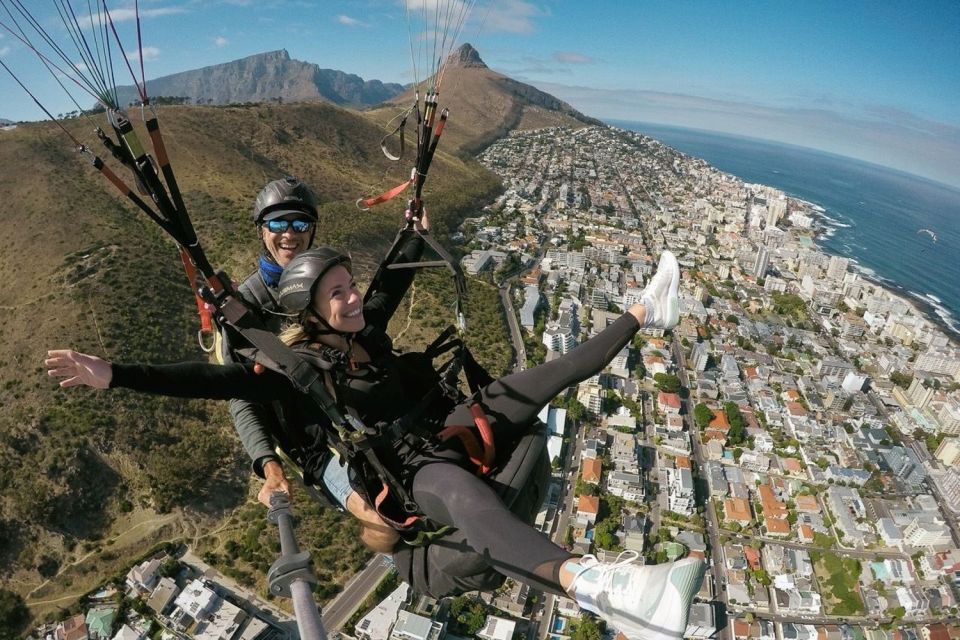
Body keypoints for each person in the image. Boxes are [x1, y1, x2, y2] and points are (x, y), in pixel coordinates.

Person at [47, 250, 705, 640]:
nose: (354, 296)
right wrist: (116, 374)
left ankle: (646, 311)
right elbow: (211, 381)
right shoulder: (298, 371)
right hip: (412, 471)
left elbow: (396, 271)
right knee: (464, 497)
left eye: (351, 284)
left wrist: (415, 221)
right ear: (311, 311)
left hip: (446, 424)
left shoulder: (366, 335)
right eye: (338, 293)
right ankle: (599, 586)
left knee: (543, 378)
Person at [227, 176, 413, 552]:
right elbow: (241, 396)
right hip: (316, 443)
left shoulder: (323, 277)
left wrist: (414, 237)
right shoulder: (244, 308)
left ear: (312, 230)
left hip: (360, 410)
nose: (289, 234)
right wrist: (267, 463)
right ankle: (403, 562)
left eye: (300, 223)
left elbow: (376, 306)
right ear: (262, 230)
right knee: (386, 525)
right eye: (277, 223)